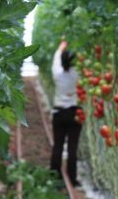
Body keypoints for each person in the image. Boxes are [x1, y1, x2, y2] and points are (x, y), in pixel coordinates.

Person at [49, 40, 82, 188]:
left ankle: (54, 175)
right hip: (75, 113)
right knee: (72, 148)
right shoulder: (78, 74)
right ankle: (73, 178)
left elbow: (56, 59)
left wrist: (61, 47)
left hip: (59, 113)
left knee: (58, 146)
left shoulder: (58, 73)